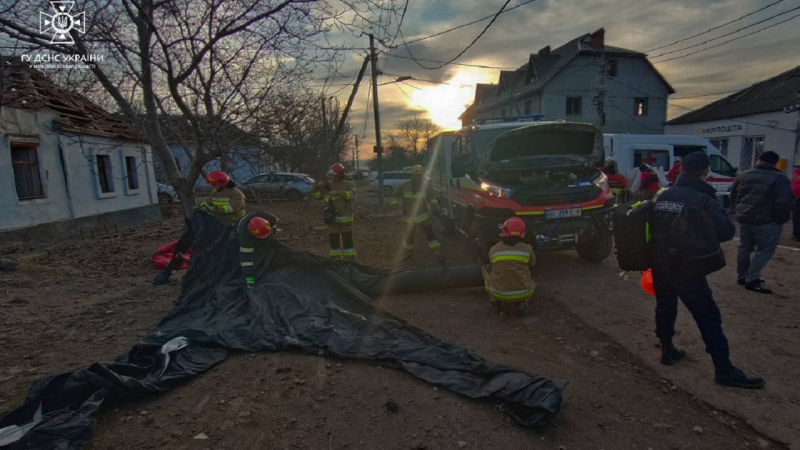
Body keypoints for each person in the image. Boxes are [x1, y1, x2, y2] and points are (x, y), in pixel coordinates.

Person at [650, 151, 764, 389]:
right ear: (705, 173)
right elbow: (725, 232)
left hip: (660, 263)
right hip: (686, 266)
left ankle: (668, 350)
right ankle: (723, 369)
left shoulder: (663, 194)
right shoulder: (703, 199)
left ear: (681, 170)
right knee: (707, 314)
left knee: (665, 305)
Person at [153, 171, 245, 285]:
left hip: (232, 224)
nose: (213, 186)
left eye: (214, 184)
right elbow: (208, 203)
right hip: (218, 223)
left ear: (222, 183)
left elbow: (231, 209)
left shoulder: (236, 194)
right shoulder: (215, 192)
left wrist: (212, 210)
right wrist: (201, 207)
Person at [730, 151, 793, 294]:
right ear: (775, 162)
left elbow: (733, 195)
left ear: (759, 160)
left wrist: (738, 211)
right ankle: (752, 279)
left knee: (745, 248)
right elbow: (783, 201)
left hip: (744, 218)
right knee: (764, 250)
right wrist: (781, 219)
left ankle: (742, 276)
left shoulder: (743, 175)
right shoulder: (780, 178)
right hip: (767, 220)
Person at [481, 217, 536, 317]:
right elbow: (532, 264)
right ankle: (522, 303)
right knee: (531, 279)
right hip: (523, 293)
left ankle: (494, 303)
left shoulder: (493, 249)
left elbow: (492, 264)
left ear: (504, 231)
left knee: (485, 270)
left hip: (499, 293)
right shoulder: (528, 249)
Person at [391, 165, 445, 264]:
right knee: (409, 238)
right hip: (408, 217)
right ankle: (408, 254)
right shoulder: (404, 186)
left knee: (430, 235)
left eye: (420, 176)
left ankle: (438, 254)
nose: (418, 178)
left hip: (423, 216)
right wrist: (394, 203)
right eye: (417, 176)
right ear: (413, 175)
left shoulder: (425, 187)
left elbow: (432, 196)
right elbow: (395, 194)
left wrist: (434, 205)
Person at [313, 163, 357, 260]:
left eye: (335, 175)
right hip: (332, 219)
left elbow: (352, 195)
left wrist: (338, 193)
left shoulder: (349, 185)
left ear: (341, 175)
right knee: (333, 241)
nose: (333, 177)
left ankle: (350, 260)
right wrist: (317, 187)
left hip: (346, 218)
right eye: (332, 175)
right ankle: (335, 260)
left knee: (347, 241)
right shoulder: (328, 185)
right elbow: (317, 197)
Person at [237, 211, 278, 289]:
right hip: (242, 234)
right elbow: (246, 260)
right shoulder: (244, 238)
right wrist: (249, 278)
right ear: (252, 234)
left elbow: (274, 223)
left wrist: (273, 234)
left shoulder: (269, 218)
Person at [792, 165, 800, 241]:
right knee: (797, 217)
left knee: (797, 216)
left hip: (796, 196)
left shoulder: (797, 171)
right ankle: (797, 234)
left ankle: (796, 234)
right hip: (797, 196)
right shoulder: (797, 171)